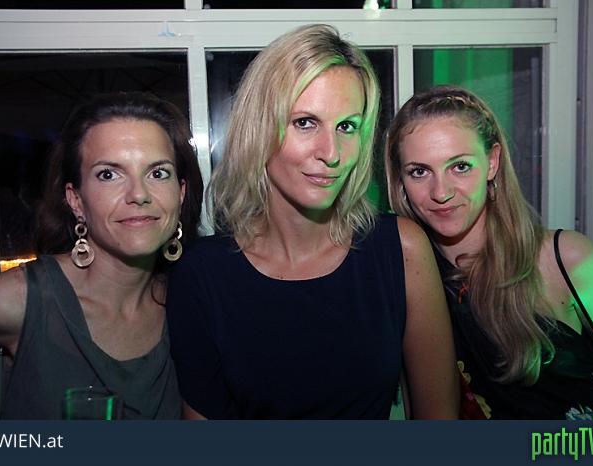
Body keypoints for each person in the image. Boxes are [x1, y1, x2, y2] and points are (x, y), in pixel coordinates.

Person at [166, 24, 458, 420]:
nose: (331, 153)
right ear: (260, 128)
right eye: (305, 122)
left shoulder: (400, 249)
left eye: (347, 126)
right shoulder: (203, 273)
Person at [0, 92, 203, 419]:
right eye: (108, 174)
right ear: (76, 200)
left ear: (181, 193)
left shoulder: (193, 302)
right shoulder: (18, 301)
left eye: (158, 173)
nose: (139, 194)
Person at [385, 84, 593, 419]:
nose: (440, 192)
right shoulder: (407, 280)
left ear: (492, 162)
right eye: (419, 171)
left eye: (460, 166)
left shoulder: (566, 259)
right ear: (401, 180)